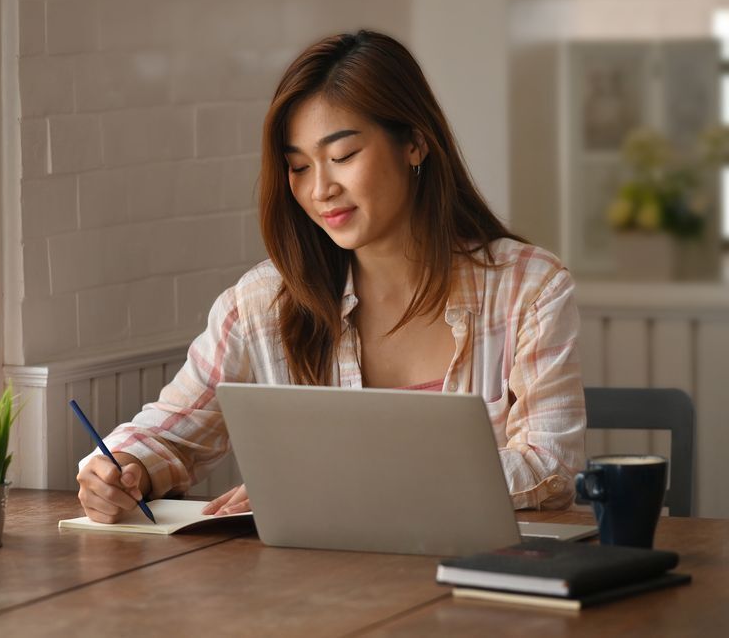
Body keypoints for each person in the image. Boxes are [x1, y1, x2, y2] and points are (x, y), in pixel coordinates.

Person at [75, 30, 586, 523]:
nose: (320, 189)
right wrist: (123, 469)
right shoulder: (262, 303)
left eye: (342, 156)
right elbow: (171, 436)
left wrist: (332, 486)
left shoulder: (528, 287)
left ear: (415, 143)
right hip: (316, 595)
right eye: (298, 167)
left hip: (475, 587)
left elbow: (550, 467)